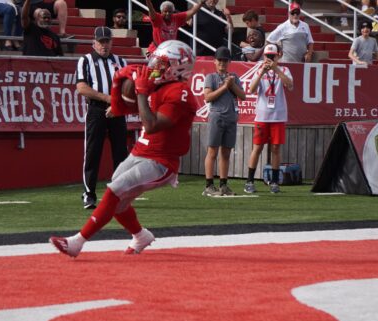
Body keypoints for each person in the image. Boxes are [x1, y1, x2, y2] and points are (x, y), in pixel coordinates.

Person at [49, 40, 198, 258]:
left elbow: (152, 124)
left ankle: (77, 242)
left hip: (161, 161)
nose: (155, 67)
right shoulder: (159, 84)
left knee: (115, 190)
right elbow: (130, 106)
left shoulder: (180, 92)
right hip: (141, 151)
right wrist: (124, 88)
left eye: (162, 63)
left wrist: (140, 93)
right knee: (117, 200)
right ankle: (141, 236)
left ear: (178, 67)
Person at [76, 26, 128, 209]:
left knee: (121, 153)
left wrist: (118, 105)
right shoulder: (86, 60)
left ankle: (119, 192)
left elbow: (129, 88)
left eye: (107, 41)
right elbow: (82, 88)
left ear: (112, 42)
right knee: (92, 152)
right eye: (101, 42)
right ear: (94, 43)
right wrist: (108, 99)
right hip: (97, 110)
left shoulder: (121, 61)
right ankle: (89, 193)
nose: (104, 45)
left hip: (118, 111)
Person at [244, 44, 293, 194]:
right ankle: (250, 181)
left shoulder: (284, 70)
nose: (270, 59)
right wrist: (261, 73)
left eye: (273, 56)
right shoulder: (259, 70)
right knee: (257, 147)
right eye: (267, 56)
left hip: (278, 115)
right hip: (263, 115)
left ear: (278, 56)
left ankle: (274, 181)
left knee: (276, 148)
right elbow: (251, 89)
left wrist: (276, 69)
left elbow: (290, 85)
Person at [202, 47, 246, 196]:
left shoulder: (234, 77)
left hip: (231, 117)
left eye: (225, 60)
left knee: (226, 152)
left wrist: (232, 85)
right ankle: (208, 185)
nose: (222, 63)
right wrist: (225, 87)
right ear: (214, 61)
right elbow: (207, 97)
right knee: (212, 151)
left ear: (229, 62)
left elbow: (243, 96)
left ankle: (223, 185)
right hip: (216, 116)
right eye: (220, 60)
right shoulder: (211, 77)